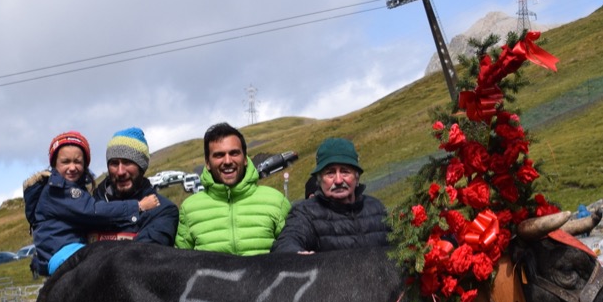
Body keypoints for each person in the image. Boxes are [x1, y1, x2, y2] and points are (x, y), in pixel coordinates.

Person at [24, 131, 159, 277]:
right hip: (64, 252)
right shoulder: (59, 190)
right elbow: (94, 211)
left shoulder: (69, 188)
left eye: (78, 162)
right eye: (65, 161)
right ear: (54, 164)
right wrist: (137, 206)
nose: (72, 167)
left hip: (60, 251)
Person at [175, 122, 290, 254]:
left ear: (245, 159)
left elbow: (293, 256)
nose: (228, 161)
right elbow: (181, 264)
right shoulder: (190, 209)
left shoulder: (276, 201)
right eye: (219, 155)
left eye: (234, 153)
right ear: (207, 163)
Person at [270, 137, 390, 253]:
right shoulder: (305, 213)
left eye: (345, 171)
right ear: (319, 180)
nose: (338, 180)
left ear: (356, 177)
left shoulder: (376, 208)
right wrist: (295, 253)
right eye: (330, 173)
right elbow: (285, 243)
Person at [91, 128, 178, 246]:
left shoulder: (163, 210)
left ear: (141, 168)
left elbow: (143, 257)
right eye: (114, 163)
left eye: (127, 162)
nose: (120, 172)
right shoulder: (88, 207)